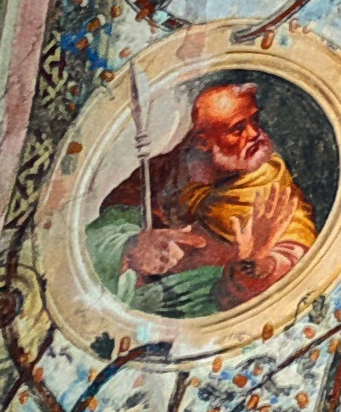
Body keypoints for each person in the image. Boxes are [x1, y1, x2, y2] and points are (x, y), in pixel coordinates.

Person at [96, 82, 319, 316]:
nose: (254, 134)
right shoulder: (163, 172)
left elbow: (294, 249)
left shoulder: (272, 183)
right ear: (203, 142)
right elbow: (104, 226)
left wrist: (258, 263)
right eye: (237, 129)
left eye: (254, 121)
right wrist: (130, 246)